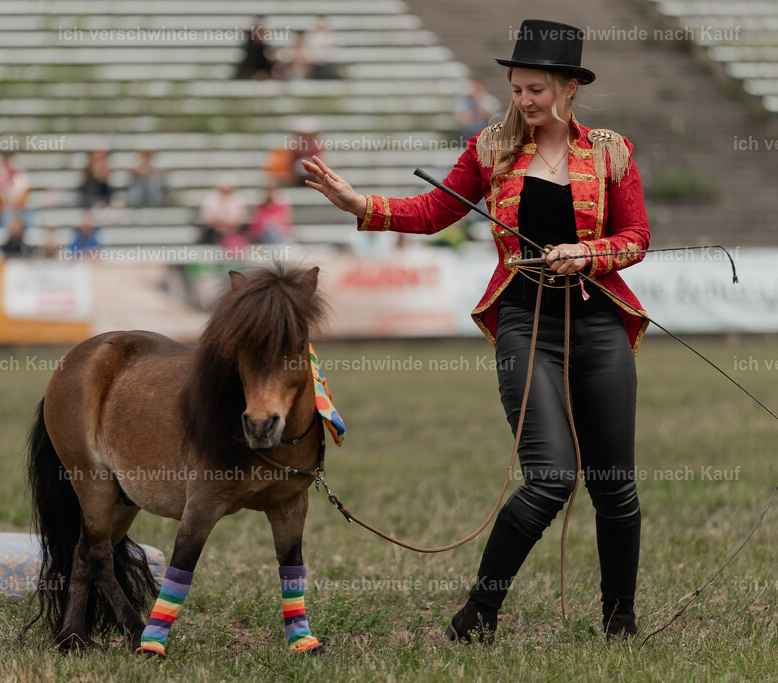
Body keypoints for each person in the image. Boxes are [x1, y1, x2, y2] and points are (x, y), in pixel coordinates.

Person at [303, 20, 650, 642]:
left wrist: (587, 254)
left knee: (615, 489)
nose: (523, 100)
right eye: (516, 88)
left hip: (599, 328)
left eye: (536, 89)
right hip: (524, 326)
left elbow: (636, 239)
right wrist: (362, 206)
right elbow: (435, 211)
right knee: (548, 478)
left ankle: (619, 621)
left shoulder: (611, 151)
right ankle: (478, 615)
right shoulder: (490, 149)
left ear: (569, 88)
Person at [197, 174, 247, 247]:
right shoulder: (212, 198)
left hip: (232, 232)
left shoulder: (238, 199)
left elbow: (240, 219)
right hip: (213, 232)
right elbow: (207, 218)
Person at [0, 152, 32, 228]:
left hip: (18, 210)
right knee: (5, 216)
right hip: (3, 211)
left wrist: (15, 207)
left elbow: (25, 197)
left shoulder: (21, 176)